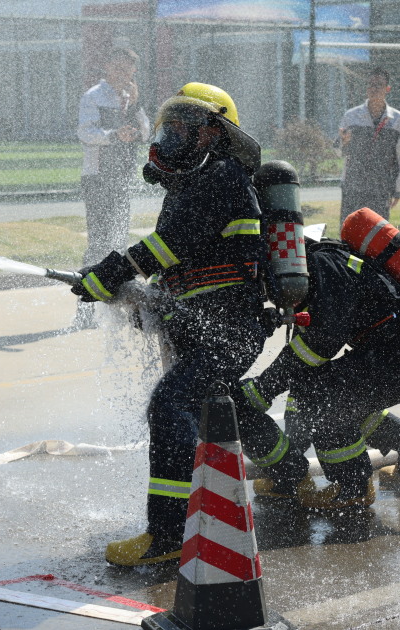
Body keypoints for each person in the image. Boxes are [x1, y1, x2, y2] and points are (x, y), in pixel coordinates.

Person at [72, 82, 307, 566]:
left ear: (213, 133)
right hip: (210, 327)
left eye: (184, 126)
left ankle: (168, 533)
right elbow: (178, 265)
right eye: (169, 126)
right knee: (223, 406)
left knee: (170, 403)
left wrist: (112, 271)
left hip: (228, 330)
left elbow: (169, 246)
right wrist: (142, 298)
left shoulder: (223, 175)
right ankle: (290, 471)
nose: (171, 134)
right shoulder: (191, 186)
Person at [236, 237, 400, 510]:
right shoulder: (323, 266)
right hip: (399, 357)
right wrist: (292, 454)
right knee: (319, 387)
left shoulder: (323, 266)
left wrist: (264, 388)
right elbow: (303, 370)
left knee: (325, 399)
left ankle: (353, 488)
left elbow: (322, 343)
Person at [74, 48, 150, 327]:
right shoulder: (93, 96)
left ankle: (114, 308)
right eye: (117, 67)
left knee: (118, 243)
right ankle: (84, 310)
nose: (122, 74)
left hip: (122, 178)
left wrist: (136, 106)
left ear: (134, 71)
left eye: (128, 69)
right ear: (107, 67)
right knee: (98, 242)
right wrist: (114, 134)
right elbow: (85, 133)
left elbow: (146, 132)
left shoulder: (132, 99)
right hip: (97, 178)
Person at [339, 67, 400, 224]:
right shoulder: (351, 116)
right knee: (350, 232)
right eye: (370, 84)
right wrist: (344, 142)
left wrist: (398, 189)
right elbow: (338, 151)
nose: (374, 88)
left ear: (387, 89)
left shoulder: (397, 119)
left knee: (377, 233)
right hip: (353, 186)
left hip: (381, 188)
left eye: (379, 85)